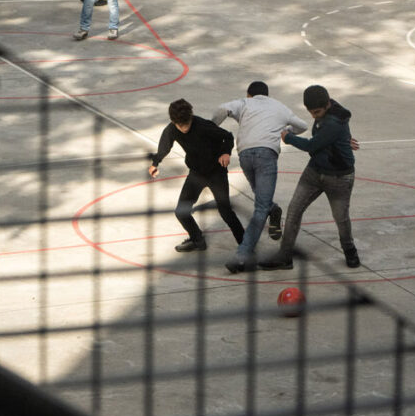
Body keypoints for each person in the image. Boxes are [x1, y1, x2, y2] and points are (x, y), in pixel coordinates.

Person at [260, 85, 359, 271]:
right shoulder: (330, 112)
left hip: (339, 177)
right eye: (311, 112)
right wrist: (344, 138)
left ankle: (350, 250)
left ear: (327, 104)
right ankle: (285, 256)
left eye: (317, 112)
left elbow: (311, 145)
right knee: (294, 210)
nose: (314, 116)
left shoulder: (333, 123)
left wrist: (288, 138)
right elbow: (328, 136)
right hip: (315, 170)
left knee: (341, 217)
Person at [211, 81, 308, 273]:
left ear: (249, 94)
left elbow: (222, 109)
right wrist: (286, 132)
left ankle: (242, 256)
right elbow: (302, 125)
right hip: (266, 155)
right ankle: (273, 210)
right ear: (267, 95)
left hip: (245, 155)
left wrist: (212, 128)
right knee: (262, 203)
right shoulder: (280, 107)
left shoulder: (244, 103)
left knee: (260, 202)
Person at [148, 99, 246, 253]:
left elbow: (227, 136)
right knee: (181, 211)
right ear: (173, 122)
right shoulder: (171, 129)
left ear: (191, 117)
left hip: (216, 173)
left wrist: (226, 152)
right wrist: (155, 163)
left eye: (186, 124)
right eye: (180, 125)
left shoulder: (203, 125)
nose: (184, 128)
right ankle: (197, 240)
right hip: (196, 174)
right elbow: (164, 146)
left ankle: (245, 245)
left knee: (226, 211)